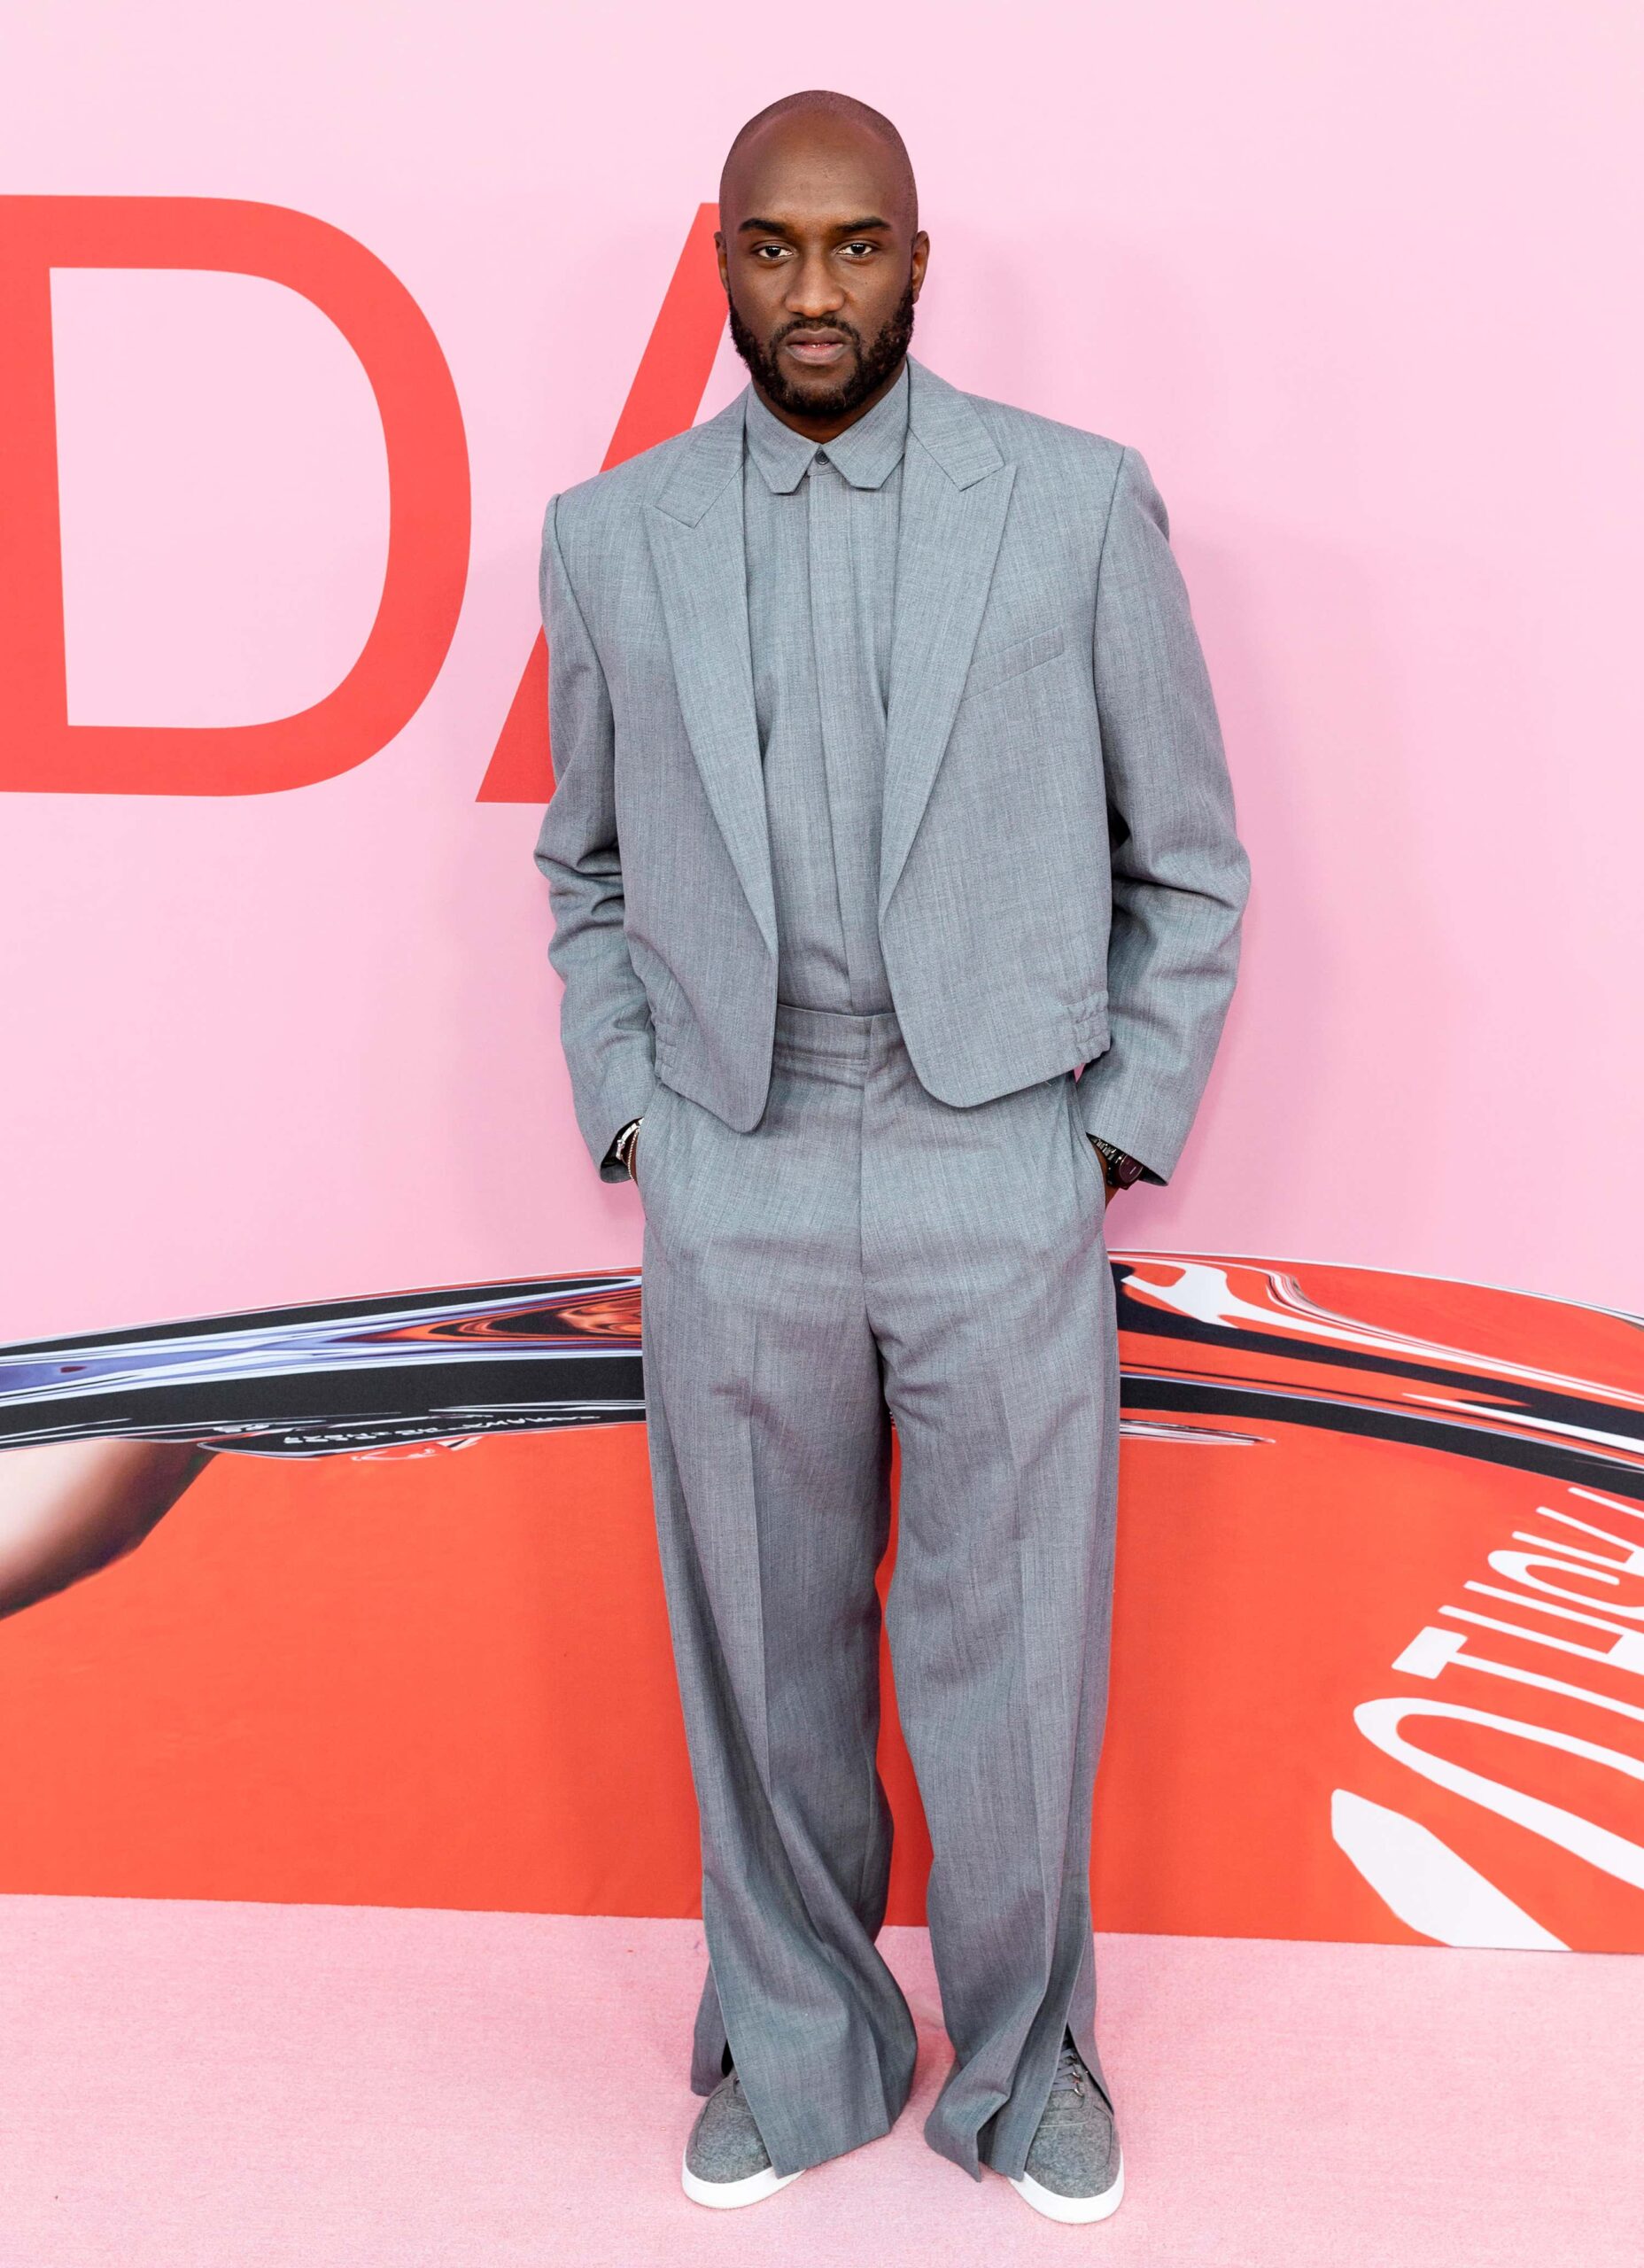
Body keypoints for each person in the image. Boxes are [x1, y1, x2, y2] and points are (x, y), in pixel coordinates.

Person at [533, 89, 1249, 2224]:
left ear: (917, 262)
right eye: (774, 247)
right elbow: (582, 868)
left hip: (993, 1151)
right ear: (722, 262)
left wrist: (1096, 1139)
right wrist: (638, 1111)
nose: (815, 288)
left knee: (1009, 1648)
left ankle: (1031, 2065)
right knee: (759, 1647)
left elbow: (1189, 866)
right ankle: (796, 2040)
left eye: (856, 246)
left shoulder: (1073, 504)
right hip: (735, 1152)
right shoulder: (610, 535)